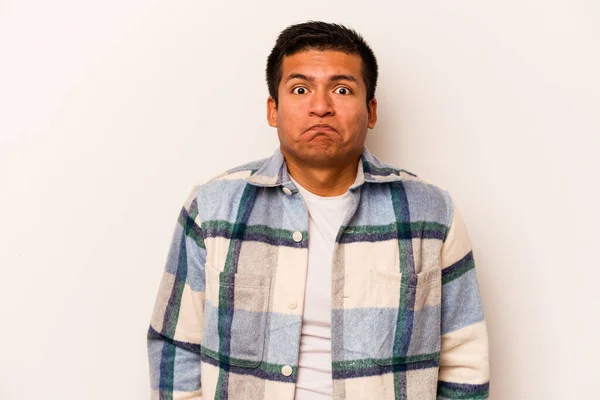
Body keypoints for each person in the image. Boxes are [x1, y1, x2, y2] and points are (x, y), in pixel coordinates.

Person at [147, 21, 490, 400]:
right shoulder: (213, 209)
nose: (321, 107)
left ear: (371, 111)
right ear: (273, 110)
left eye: (342, 90)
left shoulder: (431, 214)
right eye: (300, 89)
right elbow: (176, 344)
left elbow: (464, 359)